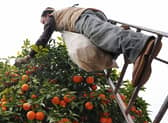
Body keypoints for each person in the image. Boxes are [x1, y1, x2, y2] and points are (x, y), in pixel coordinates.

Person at [15, 6, 162, 86]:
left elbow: (44, 37)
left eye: (43, 22)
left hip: (82, 18)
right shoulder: (63, 15)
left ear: (46, 15)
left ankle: (141, 46)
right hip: (93, 17)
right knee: (103, 42)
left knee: (100, 34)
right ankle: (139, 56)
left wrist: (30, 56)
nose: (44, 25)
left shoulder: (53, 16)